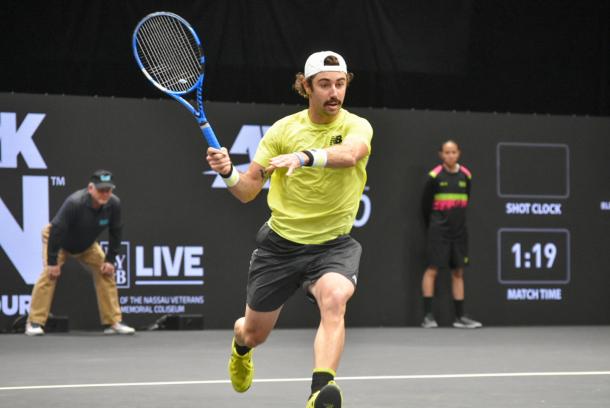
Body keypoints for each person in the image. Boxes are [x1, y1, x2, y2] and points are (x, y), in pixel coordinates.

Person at [207, 51, 372, 408]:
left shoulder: (357, 126)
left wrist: (305, 157)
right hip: (280, 246)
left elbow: (351, 154)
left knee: (335, 299)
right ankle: (240, 348)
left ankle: (320, 391)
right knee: (253, 334)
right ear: (306, 86)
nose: (334, 93)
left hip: (333, 245)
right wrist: (227, 172)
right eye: (325, 84)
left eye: (340, 84)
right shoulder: (283, 131)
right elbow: (248, 190)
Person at [25, 170, 135, 336]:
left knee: (106, 272)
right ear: (90, 188)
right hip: (59, 241)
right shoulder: (75, 202)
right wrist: (53, 262)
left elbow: (116, 232)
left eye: (108, 190)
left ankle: (113, 322)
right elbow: (56, 231)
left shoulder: (114, 204)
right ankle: (34, 322)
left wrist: (110, 260)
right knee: (49, 275)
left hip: (86, 245)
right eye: (101, 190)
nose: (105, 194)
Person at [420, 140, 482, 329]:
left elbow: (466, 200)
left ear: (459, 153)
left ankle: (460, 317)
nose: (450, 155)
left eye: (453, 152)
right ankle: (428, 317)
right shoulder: (434, 176)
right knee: (432, 270)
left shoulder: (466, 176)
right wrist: (435, 224)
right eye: (446, 152)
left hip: (459, 232)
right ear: (441, 154)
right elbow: (425, 206)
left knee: (458, 272)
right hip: (438, 231)